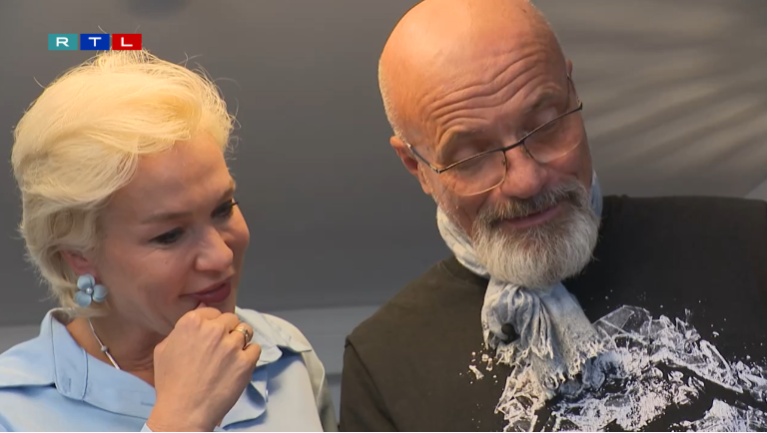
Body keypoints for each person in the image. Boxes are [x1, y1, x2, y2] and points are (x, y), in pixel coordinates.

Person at [339, 0, 767, 431]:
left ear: (572, 93)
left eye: (545, 126)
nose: (526, 180)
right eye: (472, 156)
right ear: (417, 168)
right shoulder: (383, 364)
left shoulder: (752, 243)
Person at [0, 50, 337, 432]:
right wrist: (180, 419)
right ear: (79, 256)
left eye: (223, 208)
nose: (220, 256)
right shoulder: (12, 411)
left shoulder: (287, 358)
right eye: (170, 235)